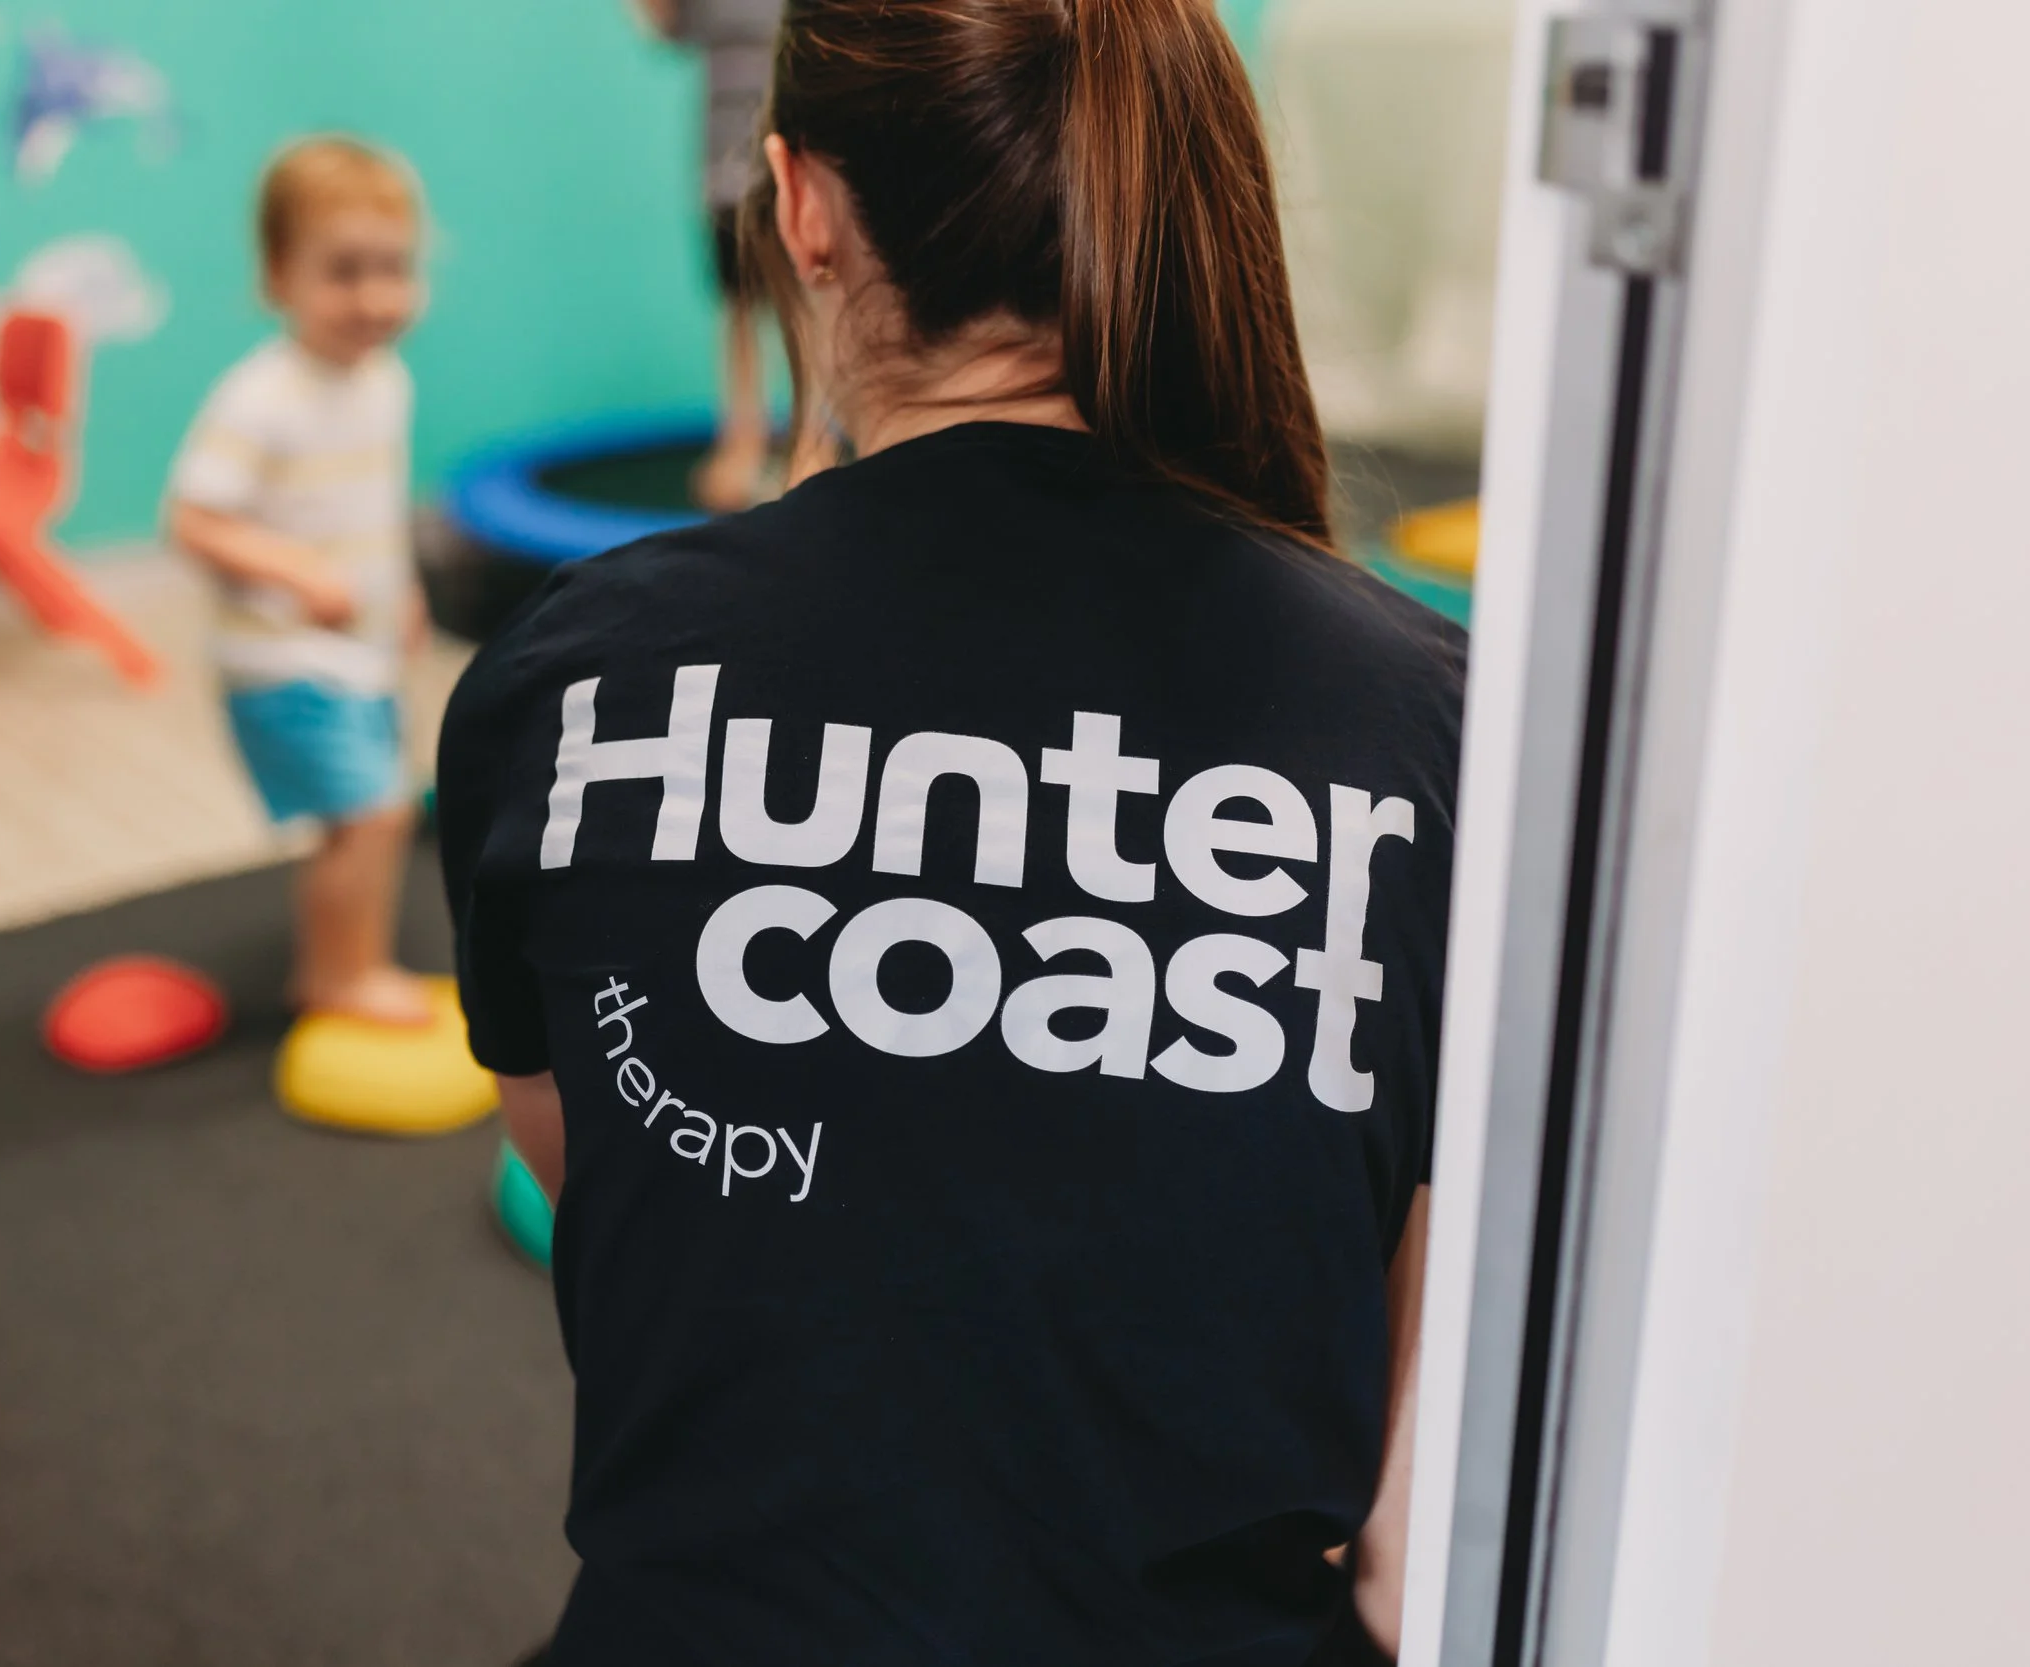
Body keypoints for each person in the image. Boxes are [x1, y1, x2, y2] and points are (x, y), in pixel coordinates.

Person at [441, 1, 1461, 1661]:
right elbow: (1401, 1414)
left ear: (803, 205)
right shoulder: (1431, 725)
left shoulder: (570, 678)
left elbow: (620, 1185)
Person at [168, 137, 436, 1028]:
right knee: (376, 817)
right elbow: (194, 519)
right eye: (342, 272)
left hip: (354, 651)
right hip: (282, 660)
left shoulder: (385, 379)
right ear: (278, 277)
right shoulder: (260, 397)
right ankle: (339, 978)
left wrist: (402, 596)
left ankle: (340, 960)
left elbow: (370, 507)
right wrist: (293, 569)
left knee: (354, 819)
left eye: (393, 270)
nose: (373, 298)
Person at [632, 0, 787, 511]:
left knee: (805, 307)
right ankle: (742, 441)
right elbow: (666, 27)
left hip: (792, 160)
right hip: (724, 173)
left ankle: (812, 443)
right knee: (739, 307)